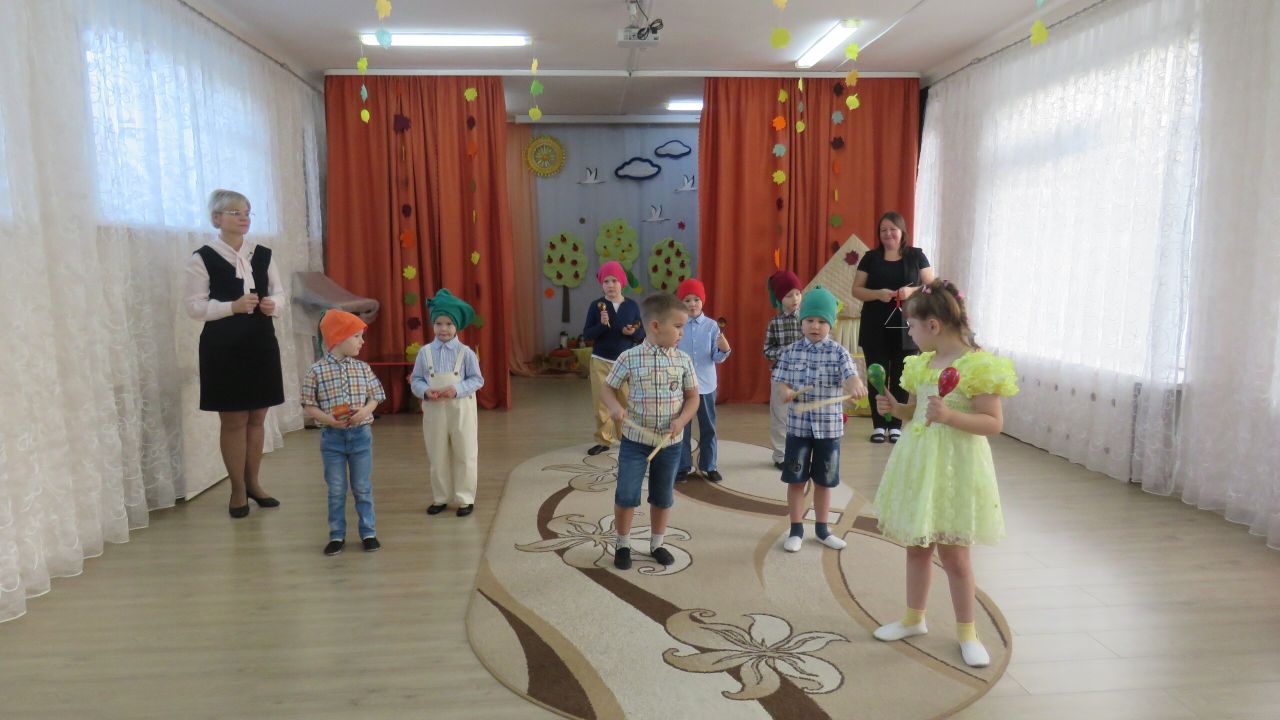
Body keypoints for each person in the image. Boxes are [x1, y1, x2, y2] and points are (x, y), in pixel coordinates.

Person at [871, 279, 1018, 668]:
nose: (909, 333)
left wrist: (951, 416)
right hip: (921, 462)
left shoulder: (979, 365)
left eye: (911, 326)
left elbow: (993, 423)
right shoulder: (921, 364)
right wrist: (895, 408)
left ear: (932, 325)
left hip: (956, 469)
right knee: (917, 548)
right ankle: (913, 618)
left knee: (955, 557)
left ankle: (968, 632)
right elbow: (916, 411)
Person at [183, 189, 285, 518]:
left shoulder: (263, 254)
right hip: (223, 347)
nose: (243, 218)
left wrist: (272, 305)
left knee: (258, 418)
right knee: (233, 420)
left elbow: (280, 294)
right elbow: (194, 307)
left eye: (247, 212)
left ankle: (254, 483)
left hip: (260, 342)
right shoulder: (203, 257)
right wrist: (232, 307)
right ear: (216, 218)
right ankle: (237, 489)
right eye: (235, 212)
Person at [600, 294, 699, 571]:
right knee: (626, 494)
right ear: (655, 326)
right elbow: (607, 388)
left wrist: (682, 420)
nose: (682, 333)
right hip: (635, 442)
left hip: (670, 443)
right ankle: (623, 543)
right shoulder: (629, 357)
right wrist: (615, 407)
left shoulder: (683, 360)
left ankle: (657, 543)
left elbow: (693, 398)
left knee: (662, 496)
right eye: (678, 326)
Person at [771, 287, 867, 553]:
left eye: (822, 321)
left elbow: (851, 376)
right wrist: (785, 391)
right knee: (796, 480)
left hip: (829, 430)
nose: (815, 326)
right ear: (801, 321)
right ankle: (796, 530)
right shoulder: (790, 352)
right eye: (810, 320)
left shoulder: (839, 353)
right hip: (798, 429)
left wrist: (855, 385)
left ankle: (823, 530)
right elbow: (780, 382)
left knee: (825, 482)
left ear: (831, 324)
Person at [301, 311, 386, 555]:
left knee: (362, 487)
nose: (362, 341)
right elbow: (308, 404)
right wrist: (329, 420)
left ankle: (368, 532)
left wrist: (365, 411)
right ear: (339, 338)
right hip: (332, 440)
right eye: (357, 336)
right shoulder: (316, 371)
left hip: (361, 436)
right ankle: (336, 535)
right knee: (336, 489)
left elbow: (376, 396)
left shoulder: (363, 368)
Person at [852, 212, 936, 444]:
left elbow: (933, 286)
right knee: (877, 376)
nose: (888, 234)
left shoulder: (916, 256)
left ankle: (896, 425)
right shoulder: (870, 258)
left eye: (892, 229)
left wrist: (911, 291)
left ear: (902, 231)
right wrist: (877, 294)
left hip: (909, 327)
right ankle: (879, 425)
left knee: (901, 377)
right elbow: (856, 290)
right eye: (883, 230)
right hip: (874, 326)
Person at [410, 289, 485, 517]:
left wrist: (457, 389)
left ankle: (465, 498)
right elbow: (416, 379)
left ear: (457, 326)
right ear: (433, 324)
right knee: (437, 454)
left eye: (449, 324)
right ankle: (440, 497)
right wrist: (425, 391)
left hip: (461, 410)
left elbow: (477, 380)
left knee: (465, 452)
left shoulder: (466, 353)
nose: (443, 328)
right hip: (434, 411)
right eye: (439, 323)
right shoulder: (425, 353)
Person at [582, 261, 645, 455]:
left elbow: (641, 334)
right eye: (606, 281)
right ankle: (604, 439)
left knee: (626, 401)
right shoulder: (596, 306)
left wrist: (632, 332)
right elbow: (587, 335)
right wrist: (602, 326)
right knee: (601, 403)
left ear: (622, 282)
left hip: (625, 363)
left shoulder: (632, 306)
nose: (610, 285)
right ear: (601, 284)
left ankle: (627, 438)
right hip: (600, 361)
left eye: (614, 280)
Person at [674, 278, 730, 483]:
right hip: (682, 386)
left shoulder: (712, 326)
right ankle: (682, 466)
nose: (692, 304)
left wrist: (724, 349)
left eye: (696, 299)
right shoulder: (677, 325)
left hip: (706, 386)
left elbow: (717, 357)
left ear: (703, 300)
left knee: (708, 427)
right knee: (682, 427)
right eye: (687, 300)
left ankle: (709, 465)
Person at [762, 270, 803, 468]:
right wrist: (784, 351)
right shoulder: (774, 323)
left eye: (797, 293)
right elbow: (767, 351)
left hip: (804, 376)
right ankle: (781, 455)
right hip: (781, 377)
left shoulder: (807, 318)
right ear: (780, 299)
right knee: (781, 416)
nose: (795, 299)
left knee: (802, 416)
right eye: (789, 295)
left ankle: (801, 453)